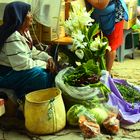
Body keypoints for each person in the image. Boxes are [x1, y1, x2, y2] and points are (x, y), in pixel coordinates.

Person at [0, 1, 56, 101]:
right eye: (28, 12)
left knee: (50, 70)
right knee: (41, 75)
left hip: (16, 70)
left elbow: (31, 52)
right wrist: (44, 65)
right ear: (19, 15)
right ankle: (24, 97)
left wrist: (48, 58)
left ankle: (25, 96)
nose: (31, 15)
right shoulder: (12, 36)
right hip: (6, 74)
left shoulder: (24, 32)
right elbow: (22, 64)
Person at [86, 0, 128, 74]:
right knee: (96, 43)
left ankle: (107, 74)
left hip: (113, 16)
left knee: (110, 46)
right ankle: (98, 71)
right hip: (99, 15)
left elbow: (101, 5)